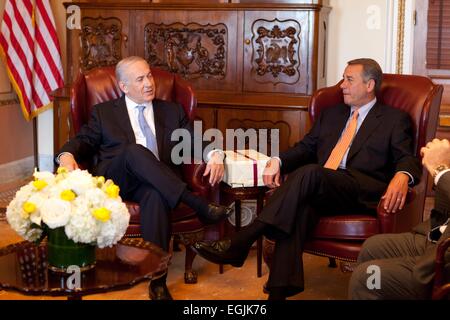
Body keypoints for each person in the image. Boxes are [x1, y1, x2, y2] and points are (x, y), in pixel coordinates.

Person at [193, 58, 421, 300]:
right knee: (298, 210)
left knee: (311, 172)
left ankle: (243, 239)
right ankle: (278, 294)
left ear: (369, 85)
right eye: (343, 78)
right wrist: (278, 161)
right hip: (323, 187)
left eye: (349, 80)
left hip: (360, 189)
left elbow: (407, 157)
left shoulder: (394, 119)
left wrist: (402, 175)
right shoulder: (332, 114)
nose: (341, 85)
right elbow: (305, 148)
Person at [57, 56, 231, 300]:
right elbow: (83, 141)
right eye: (140, 79)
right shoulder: (104, 113)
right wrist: (66, 155)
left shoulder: (171, 110)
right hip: (118, 180)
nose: (149, 83)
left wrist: (214, 154)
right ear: (124, 86)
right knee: (134, 151)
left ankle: (157, 280)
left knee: (155, 195)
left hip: (158, 182)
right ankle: (198, 205)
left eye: (149, 76)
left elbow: (193, 138)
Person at [348, 138, 450, 299]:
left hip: (446, 255)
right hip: (439, 235)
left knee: (366, 277)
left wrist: (441, 169)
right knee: (373, 246)